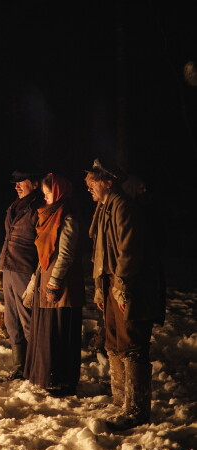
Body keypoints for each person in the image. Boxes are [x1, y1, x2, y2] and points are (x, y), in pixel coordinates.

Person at [85, 158, 165, 430]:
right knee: (114, 342)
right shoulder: (105, 208)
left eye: (93, 183)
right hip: (111, 284)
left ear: (108, 182)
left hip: (130, 287)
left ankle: (136, 409)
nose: (89, 189)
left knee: (132, 344)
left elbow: (129, 251)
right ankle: (121, 401)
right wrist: (100, 287)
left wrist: (121, 286)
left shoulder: (122, 207)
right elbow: (100, 251)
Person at [21, 173, 84, 396]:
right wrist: (33, 285)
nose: (45, 198)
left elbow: (65, 254)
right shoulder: (49, 217)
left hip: (62, 285)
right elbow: (43, 256)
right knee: (47, 329)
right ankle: (45, 377)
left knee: (59, 330)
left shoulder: (67, 218)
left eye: (48, 194)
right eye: (45, 194)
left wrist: (54, 283)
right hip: (46, 280)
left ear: (59, 193)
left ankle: (61, 380)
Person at [0, 168, 45, 380]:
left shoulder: (38, 208)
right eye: (15, 183)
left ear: (34, 184)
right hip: (10, 267)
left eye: (21, 182)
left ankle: (35, 369)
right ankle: (19, 367)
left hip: (25, 269)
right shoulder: (15, 207)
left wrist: (37, 273)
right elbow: (8, 239)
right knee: (12, 319)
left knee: (28, 320)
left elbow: (42, 244)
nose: (16, 186)